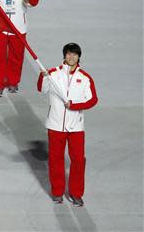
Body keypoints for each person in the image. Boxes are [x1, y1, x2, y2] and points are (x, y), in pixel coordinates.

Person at [37, 43, 98, 206]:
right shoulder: (53, 74)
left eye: (74, 54)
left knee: (78, 160)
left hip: (76, 127)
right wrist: (42, 76)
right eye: (68, 54)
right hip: (55, 125)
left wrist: (75, 105)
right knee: (55, 159)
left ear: (79, 57)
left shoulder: (85, 78)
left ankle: (76, 193)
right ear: (64, 56)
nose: (71, 57)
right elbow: (41, 89)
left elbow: (92, 100)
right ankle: (57, 192)